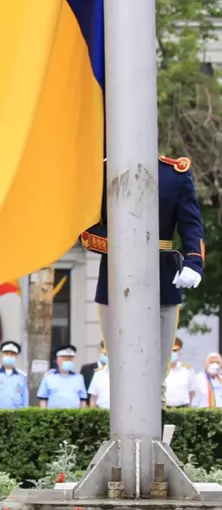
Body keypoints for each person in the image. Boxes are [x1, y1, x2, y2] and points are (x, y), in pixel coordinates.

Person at [82, 155, 205, 384]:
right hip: (116, 273)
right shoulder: (103, 170)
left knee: (156, 376)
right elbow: (87, 230)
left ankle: (155, 418)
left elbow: (191, 225)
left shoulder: (174, 173)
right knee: (120, 371)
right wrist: (127, 246)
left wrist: (193, 263)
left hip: (162, 275)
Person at [164, 337, 197, 409]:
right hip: (164, 408)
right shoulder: (160, 370)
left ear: (180, 351)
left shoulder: (187, 370)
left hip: (183, 408)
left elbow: (192, 391)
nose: (172, 353)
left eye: (175, 350)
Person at [87, 343, 111, 409]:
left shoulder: (123, 375)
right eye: (105, 354)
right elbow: (93, 398)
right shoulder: (98, 374)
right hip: (102, 411)